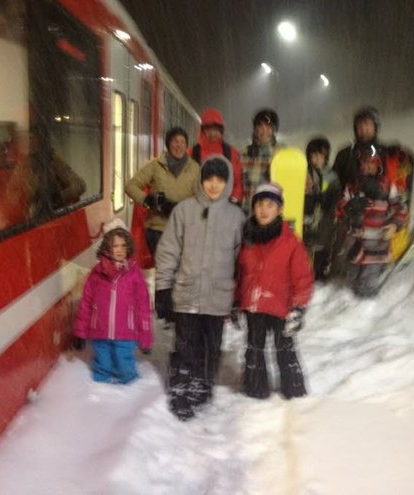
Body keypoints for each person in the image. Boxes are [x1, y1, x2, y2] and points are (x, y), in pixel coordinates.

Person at [155, 155, 245, 421]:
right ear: (201, 180)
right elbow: (168, 251)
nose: (214, 185)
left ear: (227, 183)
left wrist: (239, 297)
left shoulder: (236, 217)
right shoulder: (184, 210)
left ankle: (203, 386)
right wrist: (162, 288)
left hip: (218, 298)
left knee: (211, 347)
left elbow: (243, 261)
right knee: (185, 345)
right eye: (209, 179)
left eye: (220, 180)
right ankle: (181, 389)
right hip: (187, 295)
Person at [236, 183, 313, 400]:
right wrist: (236, 300)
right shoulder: (247, 238)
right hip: (254, 305)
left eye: (270, 204)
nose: (264, 209)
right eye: (259, 204)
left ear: (279, 209)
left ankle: (294, 389)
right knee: (254, 349)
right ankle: (255, 388)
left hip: (282, 307)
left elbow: (303, 276)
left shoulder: (290, 241)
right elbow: (240, 273)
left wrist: (298, 306)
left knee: (284, 349)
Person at [72, 218, 152, 384]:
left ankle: (129, 392)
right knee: (102, 366)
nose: (120, 250)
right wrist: (80, 332)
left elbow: (143, 306)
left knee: (125, 367)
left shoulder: (134, 274)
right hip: (100, 331)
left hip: (126, 333)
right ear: (106, 247)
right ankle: (100, 394)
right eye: (115, 245)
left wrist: (145, 337)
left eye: (123, 245)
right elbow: (86, 303)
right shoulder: (97, 273)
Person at [335, 151, 407, 298]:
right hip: (355, 242)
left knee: (366, 286)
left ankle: (366, 306)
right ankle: (348, 304)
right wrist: (350, 206)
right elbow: (339, 209)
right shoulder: (352, 187)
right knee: (350, 279)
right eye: (364, 163)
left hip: (377, 244)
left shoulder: (387, 186)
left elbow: (401, 208)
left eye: (371, 163)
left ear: (378, 165)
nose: (367, 167)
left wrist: (394, 224)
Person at [330, 106, 389, 276]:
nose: (363, 129)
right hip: (351, 214)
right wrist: (347, 204)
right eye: (360, 126)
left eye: (368, 125)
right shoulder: (345, 155)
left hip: (378, 216)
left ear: (376, 127)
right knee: (350, 258)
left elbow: (393, 187)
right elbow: (336, 187)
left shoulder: (386, 154)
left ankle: (376, 265)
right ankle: (346, 265)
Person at [126, 127, 199, 257]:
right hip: (158, 230)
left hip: (185, 230)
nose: (179, 145)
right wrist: (149, 201)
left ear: (186, 145)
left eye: (182, 142)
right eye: (175, 141)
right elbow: (130, 186)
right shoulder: (155, 165)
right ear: (168, 144)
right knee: (164, 270)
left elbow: (201, 196)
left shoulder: (194, 168)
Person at [303, 136, 340, 280]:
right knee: (306, 244)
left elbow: (336, 195)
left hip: (325, 218)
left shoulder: (331, 176)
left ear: (326, 157)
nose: (317, 159)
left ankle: (319, 271)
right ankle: (305, 269)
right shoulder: (304, 173)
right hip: (308, 215)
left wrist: (326, 200)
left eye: (320, 156)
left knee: (322, 244)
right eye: (314, 156)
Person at [189, 108, 243, 206]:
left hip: (224, 207)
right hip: (198, 206)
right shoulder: (192, 152)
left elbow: (238, 180)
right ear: (203, 130)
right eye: (209, 129)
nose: (212, 133)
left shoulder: (231, 153)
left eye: (216, 129)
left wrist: (234, 199)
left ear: (221, 131)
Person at [241, 108, 281, 213]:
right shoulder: (244, 153)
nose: (264, 130)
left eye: (268, 126)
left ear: (274, 130)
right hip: (247, 212)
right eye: (260, 126)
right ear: (255, 129)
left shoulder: (281, 155)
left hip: (269, 215)